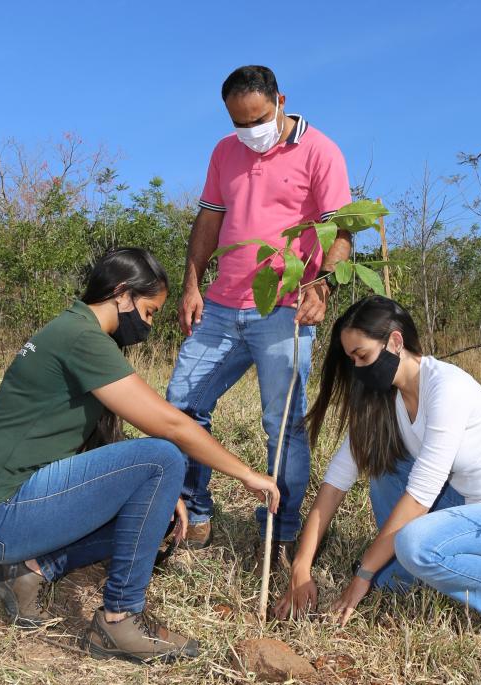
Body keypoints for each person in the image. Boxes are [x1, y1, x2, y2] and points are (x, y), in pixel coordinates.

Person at [0, 248, 279, 664]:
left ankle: (29, 571)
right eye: (150, 311)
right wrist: (246, 474)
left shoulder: (76, 331)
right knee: (163, 457)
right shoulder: (80, 336)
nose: (149, 325)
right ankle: (118, 621)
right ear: (122, 294)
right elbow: (170, 425)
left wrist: (158, 497)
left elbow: (96, 452)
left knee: (153, 514)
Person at [274, 296, 481, 633]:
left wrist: (363, 575)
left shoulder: (447, 387)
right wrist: (301, 567)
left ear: (395, 341)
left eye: (363, 356)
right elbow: (334, 486)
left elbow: (419, 498)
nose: (358, 369)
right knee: (384, 468)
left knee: (414, 544)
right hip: (476, 509)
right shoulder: (385, 402)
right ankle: (415, 574)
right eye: (352, 360)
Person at [166, 65, 352, 570]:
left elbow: (342, 230)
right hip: (223, 306)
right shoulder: (225, 152)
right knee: (181, 404)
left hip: (284, 310)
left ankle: (282, 530)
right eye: (239, 123)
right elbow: (209, 219)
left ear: (280, 101)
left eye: (259, 119)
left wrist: (324, 282)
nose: (251, 132)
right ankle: (192, 512)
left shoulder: (321, 151)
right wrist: (191, 283)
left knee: (283, 423)